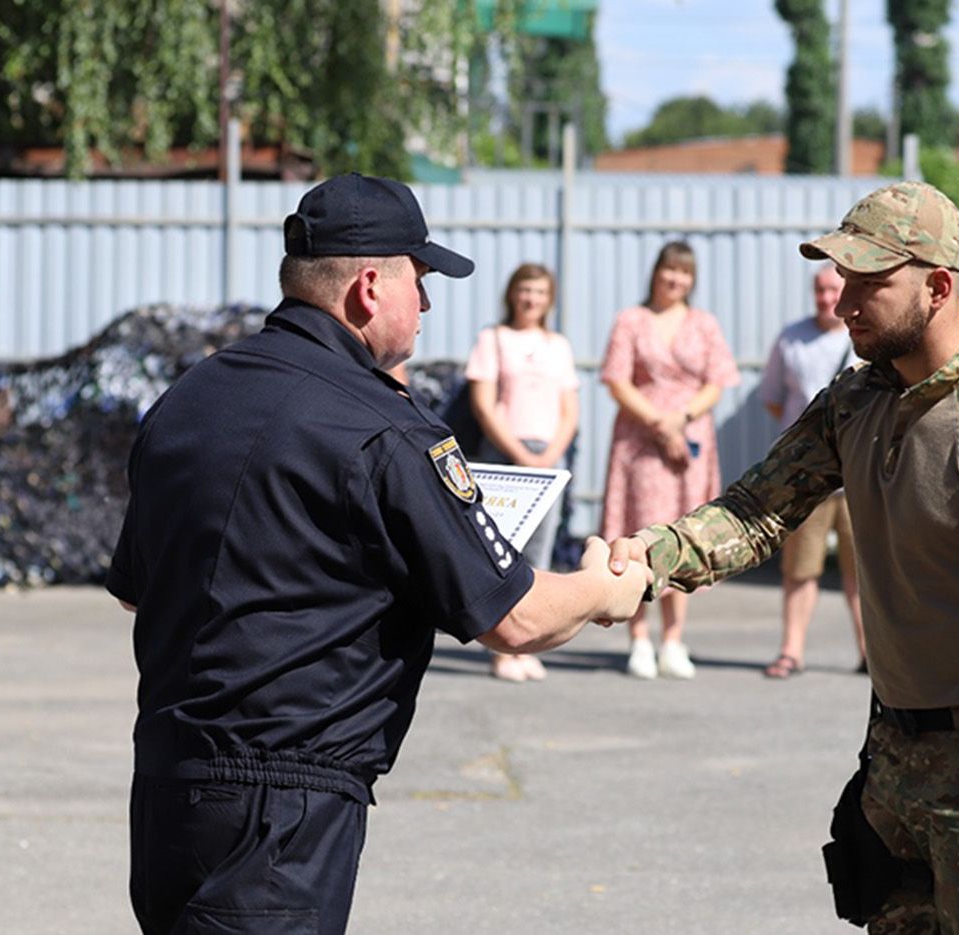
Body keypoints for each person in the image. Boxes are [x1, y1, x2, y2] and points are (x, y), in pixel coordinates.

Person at [106, 173, 648, 935]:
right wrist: (605, 588)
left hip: (167, 785)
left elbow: (140, 586)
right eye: (419, 281)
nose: (426, 305)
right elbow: (517, 619)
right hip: (282, 808)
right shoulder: (383, 429)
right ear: (368, 287)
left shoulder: (190, 398)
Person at [609, 181, 959, 932]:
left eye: (867, 282)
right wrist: (641, 561)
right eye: (840, 277)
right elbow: (755, 510)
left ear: (937, 286)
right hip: (895, 771)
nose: (843, 300)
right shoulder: (855, 402)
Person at [599, 240, 739, 679]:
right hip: (641, 442)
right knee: (638, 534)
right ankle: (638, 638)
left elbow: (718, 381)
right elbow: (617, 380)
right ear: (656, 273)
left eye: (684, 273)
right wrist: (659, 423)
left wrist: (681, 418)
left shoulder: (704, 324)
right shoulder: (631, 320)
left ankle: (674, 639)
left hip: (690, 442)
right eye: (669, 271)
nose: (675, 280)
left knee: (683, 537)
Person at [465, 262, 580, 682]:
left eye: (540, 292)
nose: (531, 299)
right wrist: (518, 452)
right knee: (498, 554)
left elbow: (569, 410)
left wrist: (550, 453)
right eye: (525, 290)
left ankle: (530, 644)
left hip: (548, 459)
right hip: (503, 456)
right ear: (512, 294)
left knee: (539, 557)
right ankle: (499, 647)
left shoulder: (557, 345)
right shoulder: (493, 339)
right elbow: (483, 402)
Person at [756, 263, 865, 678]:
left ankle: (870, 654)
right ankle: (791, 651)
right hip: (807, 480)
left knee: (866, 574)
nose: (825, 298)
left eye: (832, 290)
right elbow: (773, 399)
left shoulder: (865, 338)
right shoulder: (791, 338)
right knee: (799, 569)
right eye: (819, 290)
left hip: (857, 477)